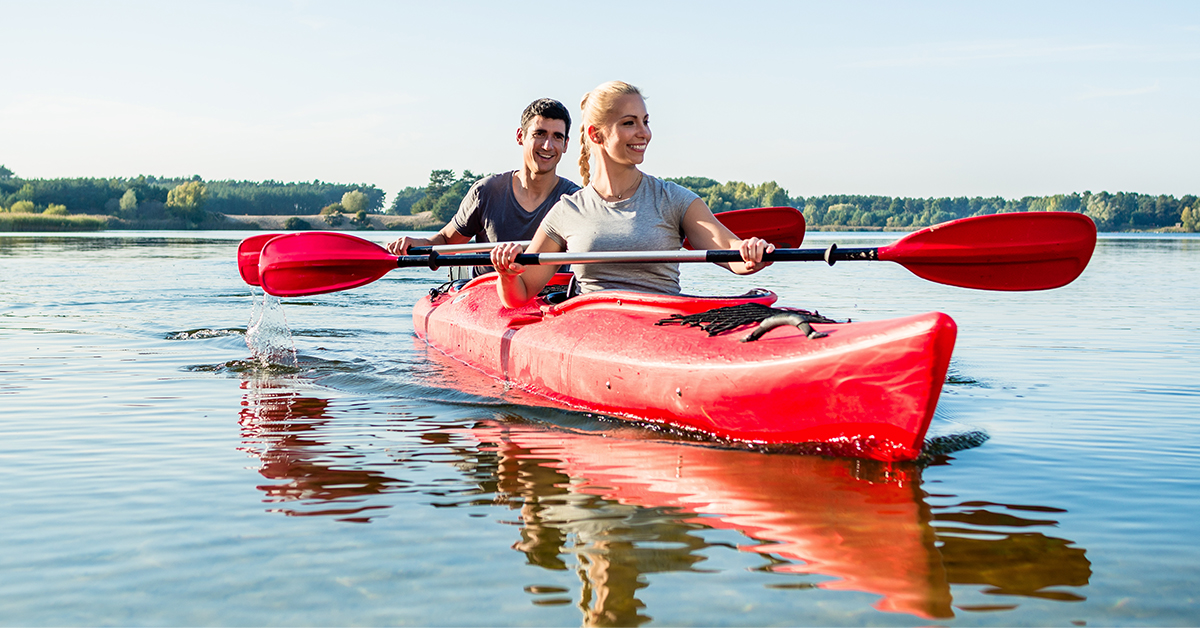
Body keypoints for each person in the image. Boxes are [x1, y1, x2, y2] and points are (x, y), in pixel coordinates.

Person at [489, 81, 773, 307]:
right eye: (629, 123)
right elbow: (520, 294)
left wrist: (750, 253)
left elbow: (731, 252)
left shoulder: (674, 199)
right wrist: (507, 273)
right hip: (591, 333)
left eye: (645, 121)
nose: (644, 133)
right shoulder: (568, 211)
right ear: (596, 135)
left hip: (662, 327)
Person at [386, 98, 581, 276]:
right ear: (520, 136)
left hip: (553, 298)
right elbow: (446, 241)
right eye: (539, 134)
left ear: (566, 144)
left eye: (557, 137)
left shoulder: (576, 200)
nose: (547, 146)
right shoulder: (486, 191)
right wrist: (417, 244)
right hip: (487, 296)